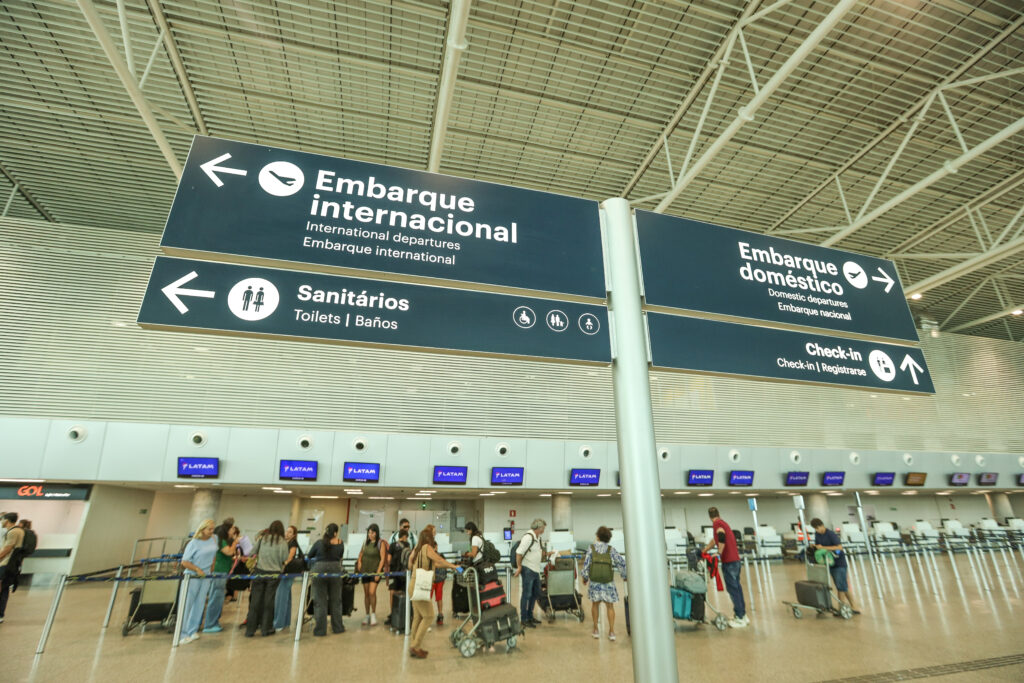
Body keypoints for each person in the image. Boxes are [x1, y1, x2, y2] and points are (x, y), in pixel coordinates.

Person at [407, 527, 460, 659]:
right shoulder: (427, 548)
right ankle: (415, 646)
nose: (434, 537)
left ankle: (414, 645)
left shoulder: (418, 549)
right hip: (420, 586)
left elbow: (436, 564)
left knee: (418, 617)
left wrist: (450, 566)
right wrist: (454, 566)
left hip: (414, 585)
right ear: (428, 538)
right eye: (433, 535)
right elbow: (439, 560)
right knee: (429, 616)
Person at [703, 507, 748, 628]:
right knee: (737, 588)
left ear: (709, 517)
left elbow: (721, 536)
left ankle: (740, 618)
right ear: (718, 514)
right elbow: (715, 540)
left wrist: (719, 552)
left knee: (733, 590)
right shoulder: (723, 523)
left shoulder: (717, 524)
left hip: (729, 562)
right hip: (735, 560)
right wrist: (705, 550)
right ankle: (743, 615)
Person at [582, 526, 627, 641]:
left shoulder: (591, 548)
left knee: (595, 605)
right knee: (610, 606)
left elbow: (586, 564)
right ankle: (611, 631)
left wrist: (585, 577)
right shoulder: (611, 549)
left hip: (595, 581)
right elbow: (621, 563)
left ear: (597, 536)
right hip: (608, 582)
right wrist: (624, 576)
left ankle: (596, 629)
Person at [178, 518, 219, 644]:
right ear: (202, 529)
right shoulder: (193, 543)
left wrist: (211, 569)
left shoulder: (214, 539)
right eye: (209, 529)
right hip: (192, 576)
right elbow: (184, 562)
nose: (211, 531)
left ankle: (192, 630)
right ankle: (182, 634)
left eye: (213, 529)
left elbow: (214, 555)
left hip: (206, 576)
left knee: (200, 603)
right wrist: (197, 569)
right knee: (187, 604)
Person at [246, 520, 288, 637]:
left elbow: (252, 552)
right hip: (274, 574)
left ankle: (250, 629)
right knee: (269, 602)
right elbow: (284, 557)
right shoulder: (282, 542)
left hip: (260, 572)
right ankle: (266, 628)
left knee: (255, 601)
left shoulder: (262, 539)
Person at [811, 518, 860, 615]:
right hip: (829, 563)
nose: (816, 530)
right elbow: (819, 546)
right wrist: (815, 547)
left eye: (817, 528)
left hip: (839, 563)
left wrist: (823, 547)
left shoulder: (831, 534)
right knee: (842, 585)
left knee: (841, 586)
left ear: (821, 526)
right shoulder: (817, 534)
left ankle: (841, 608)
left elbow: (839, 547)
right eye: (815, 529)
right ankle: (853, 607)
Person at [513, 518, 554, 628]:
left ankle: (530, 616)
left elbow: (538, 552)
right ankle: (524, 619)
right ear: (538, 528)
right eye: (543, 528)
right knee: (527, 594)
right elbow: (518, 552)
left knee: (536, 593)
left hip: (535, 569)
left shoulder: (538, 538)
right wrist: (519, 567)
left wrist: (548, 553)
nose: (544, 530)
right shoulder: (528, 537)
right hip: (528, 569)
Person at [308, 523, 346, 636]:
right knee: (336, 601)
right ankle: (338, 627)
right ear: (335, 533)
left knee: (320, 601)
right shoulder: (340, 543)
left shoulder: (319, 543)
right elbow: (340, 557)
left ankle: (320, 630)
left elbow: (310, 555)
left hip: (319, 570)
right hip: (335, 570)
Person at [204, 523, 238, 633]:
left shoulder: (224, 541)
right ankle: (209, 624)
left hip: (223, 571)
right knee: (216, 598)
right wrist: (236, 542)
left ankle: (214, 622)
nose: (234, 530)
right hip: (219, 572)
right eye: (232, 528)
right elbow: (229, 552)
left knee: (219, 598)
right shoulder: (221, 540)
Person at [356, 523, 388, 626]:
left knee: (371, 592)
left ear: (376, 533)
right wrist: (359, 562)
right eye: (369, 532)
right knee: (366, 594)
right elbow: (361, 554)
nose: (370, 534)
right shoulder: (365, 542)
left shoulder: (380, 543)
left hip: (375, 572)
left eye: (372, 532)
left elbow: (382, 559)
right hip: (365, 571)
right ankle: (367, 615)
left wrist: (378, 573)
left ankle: (373, 613)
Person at [274, 525, 302, 631]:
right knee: (286, 597)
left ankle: (278, 623)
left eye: (290, 532)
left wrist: (282, 565)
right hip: (287, 573)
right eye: (287, 531)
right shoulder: (286, 543)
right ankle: (285, 622)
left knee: (281, 597)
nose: (287, 533)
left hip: (287, 573)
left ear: (294, 535)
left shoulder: (293, 543)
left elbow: (290, 557)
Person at [0, 512, 25, 624]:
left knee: (2, 589)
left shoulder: (13, 532)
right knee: (4, 589)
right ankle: (0, 614)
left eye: (2, 519)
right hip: (12, 564)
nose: (1, 521)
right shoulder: (19, 530)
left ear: (7, 520)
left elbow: (7, 549)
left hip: (6, 564)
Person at [387, 528, 411, 623]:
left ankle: (392, 614)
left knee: (392, 593)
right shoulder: (407, 545)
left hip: (393, 573)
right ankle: (403, 614)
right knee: (403, 593)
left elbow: (388, 560)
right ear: (405, 537)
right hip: (404, 574)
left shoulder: (392, 545)